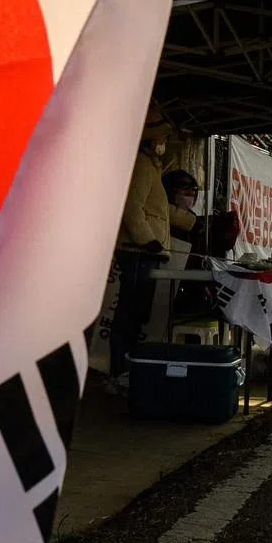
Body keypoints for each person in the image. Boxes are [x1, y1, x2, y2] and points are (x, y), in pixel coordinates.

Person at [108, 107, 171, 391]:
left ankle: (127, 368)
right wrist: (147, 240)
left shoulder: (148, 165)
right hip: (138, 251)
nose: (164, 143)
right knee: (130, 313)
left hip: (143, 250)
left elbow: (152, 208)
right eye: (161, 138)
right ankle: (120, 371)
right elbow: (133, 208)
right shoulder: (143, 165)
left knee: (136, 313)